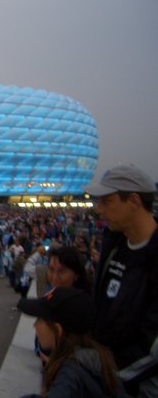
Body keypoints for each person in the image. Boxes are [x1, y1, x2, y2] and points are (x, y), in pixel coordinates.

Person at [84, 164, 158, 397]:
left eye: (106, 202)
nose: (98, 210)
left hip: (138, 384)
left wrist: (103, 369)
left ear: (134, 201)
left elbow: (152, 346)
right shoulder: (114, 245)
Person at [18, 287, 126, 398]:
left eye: (39, 320)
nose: (34, 325)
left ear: (58, 330)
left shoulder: (70, 374)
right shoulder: (97, 360)